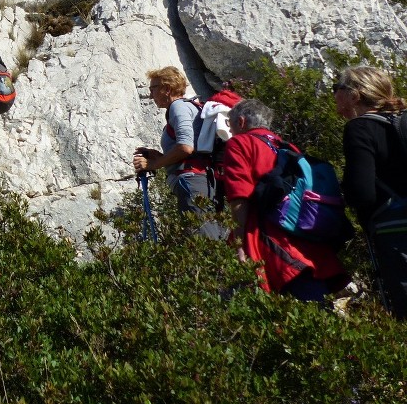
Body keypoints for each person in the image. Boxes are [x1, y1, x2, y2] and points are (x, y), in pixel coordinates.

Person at [220, 99, 350, 301]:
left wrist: (239, 241)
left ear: (241, 122)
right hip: (304, 234)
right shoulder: (287, 146)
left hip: (268, 236)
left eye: (231, 125)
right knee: (314, 305)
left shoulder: (239, 143)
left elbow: (240, 197)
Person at [335, 66, 407, 318]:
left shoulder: (360, 128)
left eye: (337, 89)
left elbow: (361, 192)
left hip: (396, 229)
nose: (334, 95)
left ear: (354, 95)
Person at [133, 67, 219, 228]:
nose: (151, 96)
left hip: (192, 181)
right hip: (199, 179)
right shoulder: (188, 106)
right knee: (206, 236)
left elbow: (186, 147)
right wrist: (159, 156)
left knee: (201, 240)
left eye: (153, 89)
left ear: (167, 89)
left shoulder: (178, 107)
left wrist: (154, 165)